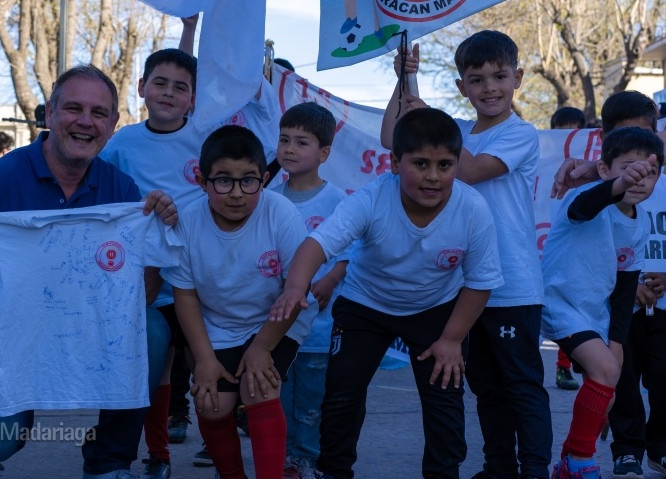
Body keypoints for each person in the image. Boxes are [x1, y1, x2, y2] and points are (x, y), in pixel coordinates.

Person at [0, 64, 178, 479]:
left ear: (113, 125)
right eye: (73, 108)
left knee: (154, 329)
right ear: (49, 114)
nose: (85, 121)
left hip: (85, 331)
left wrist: (154, 238)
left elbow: (136, 297)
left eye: (98, 113)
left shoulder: (122, 192)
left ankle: (108, 459)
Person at [272, 107, 503, 479]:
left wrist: (452, 339)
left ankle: (444, 474)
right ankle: (332, 470)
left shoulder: (473, 209)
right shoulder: (370, 199)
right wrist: (296, 287)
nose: (433, 177)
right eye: (421, 164)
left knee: (444, 399)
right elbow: (318, 244)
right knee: (342, 393)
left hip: (437, 311)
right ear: (394, 162)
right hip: (366, 305)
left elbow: (480, 282)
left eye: (445, 165)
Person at [380, 30, 553, 479]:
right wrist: (406, 82)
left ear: (517, 77)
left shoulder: (521, 134)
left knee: (522, 387)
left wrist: (428, 121)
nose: (489, 87)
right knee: (487, 389)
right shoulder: (455, 131)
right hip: (464, 289)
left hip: (513, 285)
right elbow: (392, 138)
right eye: (476, 80)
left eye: (499, 76)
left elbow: (471, 170)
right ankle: (500, 469)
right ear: (461, 87)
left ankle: (534, 470)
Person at [161, 124, 313, 479]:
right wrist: (204, 360)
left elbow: (296, 289)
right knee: (210, 402)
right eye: (223, 181)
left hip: (276, 321)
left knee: (258, 387)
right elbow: (185, 295)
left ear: (264, 179)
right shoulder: (186, 222)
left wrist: (262, 347)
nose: (236, 193)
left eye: (248, 181)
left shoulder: (281, 213)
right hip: (218, 326)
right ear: (202, 181)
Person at [554, 90, 666, 478]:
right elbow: (584, 208)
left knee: (610, 371)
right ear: (605, 169)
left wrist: (616, 346)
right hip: (556, 305)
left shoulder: (637, 223)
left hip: (595, 314)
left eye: (648, 170)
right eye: (627, 167)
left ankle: (570, 459)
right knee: (604, 371)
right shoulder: (586, 195)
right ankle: (580, 459)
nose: (638, 176)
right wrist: (617, 184)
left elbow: (623, 289)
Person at [101, 46, 200, 479]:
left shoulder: (206, 138)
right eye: (159, 83)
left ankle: (222, 450)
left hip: (199, 277)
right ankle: (157, 454)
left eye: (180, 87)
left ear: (193, 99)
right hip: (143, 277)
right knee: (154, 365)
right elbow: (101, 200)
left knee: (208, 366)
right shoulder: (121, 143)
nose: (168, 93)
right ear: (141, 88)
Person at [271, 102, 348, 479]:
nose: (289, 148)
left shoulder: (336, 200)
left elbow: (349, 254)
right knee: (277, 394)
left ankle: (307, 458)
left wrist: (329, 281)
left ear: (324, 153)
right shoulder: (268, 196)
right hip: (275, 324)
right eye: (284, 139)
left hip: (317, 328)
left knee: (312, 399)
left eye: (301, 142)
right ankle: (281, 457)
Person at [549, 106, 586, 391]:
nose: (568, 136)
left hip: (571, 246)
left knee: (571, 310)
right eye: (563, 130)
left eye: (574, 130)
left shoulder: (588, 167)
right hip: (542, 244)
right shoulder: (542, 155)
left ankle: (566, 366)